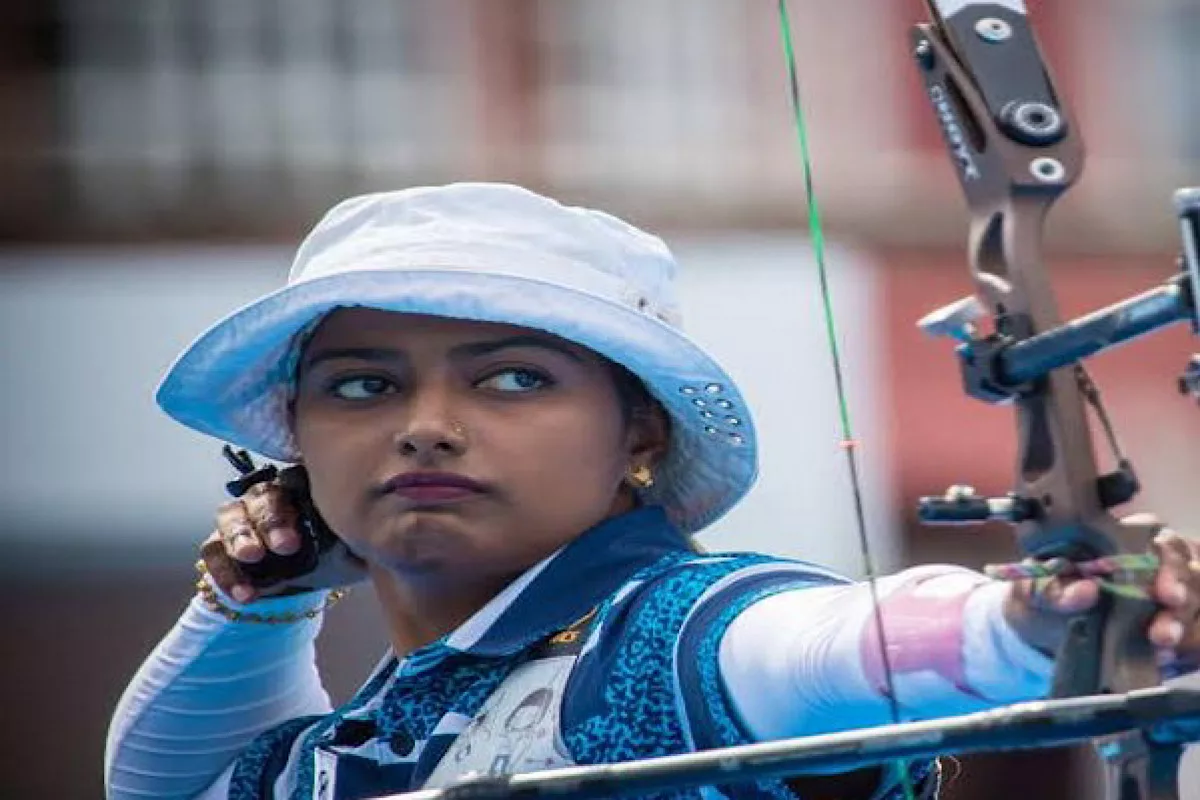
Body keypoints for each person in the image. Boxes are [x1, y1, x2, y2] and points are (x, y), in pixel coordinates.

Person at [104, 183, 1200, 800]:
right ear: (296, 441)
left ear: (639, 429)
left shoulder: (658, 638)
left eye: (513, 377)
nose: (424, 420)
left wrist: (1034, 618)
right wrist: (258, 594)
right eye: (362, 384)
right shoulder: (365, 729)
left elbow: (814, 647)